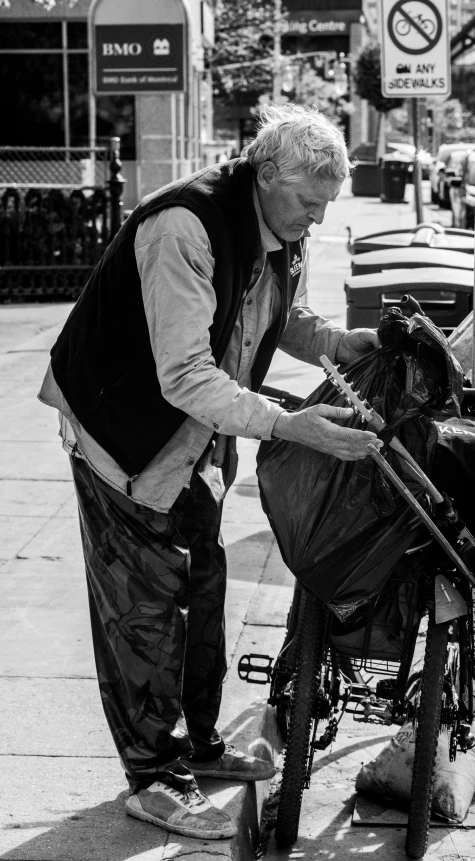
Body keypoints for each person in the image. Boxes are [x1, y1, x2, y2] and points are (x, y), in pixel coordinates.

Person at [38, 103, 383, 841]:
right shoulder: (184, 226)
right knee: (144, 608)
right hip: (124, 433)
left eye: (326, 205)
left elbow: (274, 313)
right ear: (263, 174)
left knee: (201, 587)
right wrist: (290, 423)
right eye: (306, 203)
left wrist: (335, 341)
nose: (317, 221)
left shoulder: (278, 226)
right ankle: (153, 777)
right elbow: (185, 374)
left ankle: (197, 746)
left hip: (196, 439)